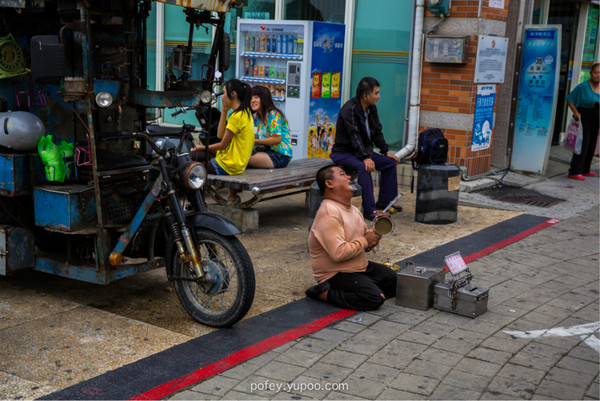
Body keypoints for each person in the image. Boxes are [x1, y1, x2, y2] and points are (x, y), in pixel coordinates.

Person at [305, 164, 397, 311]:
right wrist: (366, 240)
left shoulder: (352, 209)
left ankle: (363, 285)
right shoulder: (329, 212)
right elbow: (339, 253)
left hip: (357, 267)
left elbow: (362, 246)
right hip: (335, 273)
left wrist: (374, 237)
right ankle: (323, 293)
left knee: (395, 282)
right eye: (343, 174)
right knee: (374, 298)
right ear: (329, 184)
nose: (349, 177)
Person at [329, 76, 401, 220]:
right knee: (364, 167)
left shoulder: (371, 108)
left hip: (362, 152)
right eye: (376, 93)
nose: (379, 96)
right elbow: (353, 135)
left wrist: (386, 151)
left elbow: (377, 131)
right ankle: (370, 211)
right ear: (365, 96)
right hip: (344, 153)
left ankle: (385, 203)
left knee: (390, 163)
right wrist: (365, 158)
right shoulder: (349, 109)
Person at [191, 79, 254, 200]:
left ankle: (195, 201)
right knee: (194, 155)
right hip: (233, 163)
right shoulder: (244, 113)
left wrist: (201, 147)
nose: (222, 97)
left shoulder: (237, 117)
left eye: (224, 93)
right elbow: (220, 135)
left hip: (227, 165)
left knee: (190, 167)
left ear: (233, 94)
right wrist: (224, 111)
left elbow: (222, 145)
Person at [566, 63, 600, 180]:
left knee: (592, 143)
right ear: (591, 73)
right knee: (582, 143)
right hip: (585, 115)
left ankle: (585, 169)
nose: (598, 75)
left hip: (597, 116)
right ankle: (574, 171)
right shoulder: (583, 86)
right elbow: (570, 99)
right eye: (595, 72)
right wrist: (576, 112)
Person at [247, 85, 293, 168]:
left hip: (280, 155)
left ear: (264, 98)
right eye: (250, 98)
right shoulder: (259, 116)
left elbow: (277, 139)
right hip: (268, 151)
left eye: (256, 97)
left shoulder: (273, 114)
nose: (252, 101)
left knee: (243, 158)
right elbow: (262, 136)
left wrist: (255, 141)